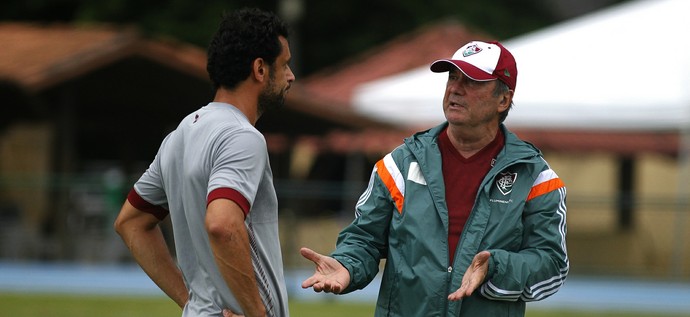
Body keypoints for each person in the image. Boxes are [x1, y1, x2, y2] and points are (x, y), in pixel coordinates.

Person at [300, 40, 568, 316]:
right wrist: (346, 265)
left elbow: (551, 265)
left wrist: (496, 268)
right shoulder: (399, 165)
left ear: (504, 99)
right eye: (452, 77)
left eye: (473, 81)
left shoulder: (535, 177)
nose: (455, 88)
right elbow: (364, 239)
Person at [114, 8, 294, 317]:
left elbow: (130, 222)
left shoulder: (180, 135)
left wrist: (191, 303)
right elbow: (222, 224)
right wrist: (258, 314)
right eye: (285, 65)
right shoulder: (243, 137)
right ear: (260, 69)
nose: (291, 75)